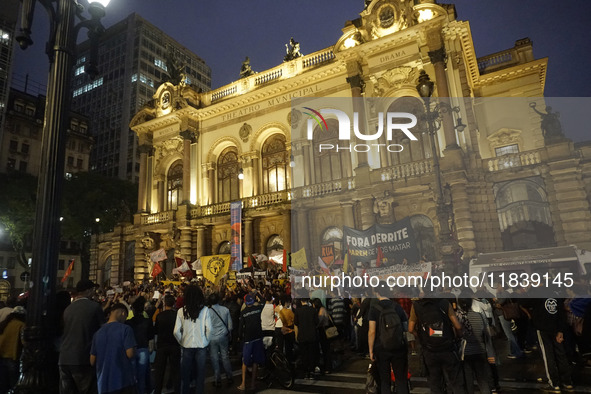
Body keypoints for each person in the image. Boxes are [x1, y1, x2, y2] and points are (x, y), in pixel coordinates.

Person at [409, 294, 467, 394]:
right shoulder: (444, 302)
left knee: (435, 383)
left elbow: (410, 328)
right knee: (455, 381)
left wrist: (421, 336)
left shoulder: (416, 306)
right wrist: (458, 336)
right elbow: (457, 325)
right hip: (447, 348)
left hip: (429, 350)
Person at [60, 279, 105, 394]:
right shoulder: (94, 307)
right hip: (83, 358)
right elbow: (102, 331)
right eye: (93, 290)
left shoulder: (68, 309)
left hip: (64, 358)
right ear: (89, 291)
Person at [368, 284, 409, 394]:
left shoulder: (374, 309)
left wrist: (371, 350)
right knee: (401, 379)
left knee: (384, 380)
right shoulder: (397, 307)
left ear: (377, 293)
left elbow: (372, 331)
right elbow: (406, 327)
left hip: (381, 348)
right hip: (398, 347)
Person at [90, 303, 137, 394]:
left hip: (103, 384)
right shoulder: (126, 329)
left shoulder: (98, 333)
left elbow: (92, 360)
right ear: (123, 313)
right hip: (123, 381)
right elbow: (130, 353)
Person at [174, 284, 212, 394]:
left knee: (185, 376)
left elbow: (176, 331)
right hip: (201, 346)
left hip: (187, 346)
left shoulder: (181, 311)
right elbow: (209, 329)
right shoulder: (204, 310)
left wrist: (182, 341)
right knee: (200, 375)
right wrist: (206, 340)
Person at [457, 296, 495, 394]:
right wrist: (490, 353)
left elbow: (457, 334)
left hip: (465, 352)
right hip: (480, 350)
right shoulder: (479, 315)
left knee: (468, 380)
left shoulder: (458, 316)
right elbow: (486, 334)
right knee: (482, 380)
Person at [126, 296, 154, 394]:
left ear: (133, 310)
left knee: (133, 376)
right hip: (143, 348)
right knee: (142, 377)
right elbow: (151, 336)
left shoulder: (128, 322)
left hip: (132, 349)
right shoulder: (147, 320)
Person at [153, 294, 180, 394]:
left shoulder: (160, 316)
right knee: (175, 370)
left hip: (162, 345)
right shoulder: (177, 315)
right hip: (174, 344)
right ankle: (177, 390)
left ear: (165, 303)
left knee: (160, 371)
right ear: (174, 303)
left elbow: (156, 331)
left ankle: (157, 390)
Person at [238, 294, 265, 391]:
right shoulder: (258, 309)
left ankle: (243, 384)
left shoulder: (243, 312)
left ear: (245, 302)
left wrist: (239, 337)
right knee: (255, 362)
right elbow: (264, 301)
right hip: (258, 337)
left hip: (248, 339)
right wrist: (257, 293)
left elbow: (241, 327)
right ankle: (253, 384)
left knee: (245, 362)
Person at [207, 292, 234, 388]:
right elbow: (230, 326)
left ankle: (217, 379)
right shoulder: (225, 310)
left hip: (212, 337)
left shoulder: (207, 312)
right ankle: (229, 376)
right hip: (223, 336)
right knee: (225, 357)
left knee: (214, 359)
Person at [0, 306, 26, 392]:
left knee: (3, 384)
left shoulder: (4, 324)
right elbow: (24, 342)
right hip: (13, 357)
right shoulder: (21, 325)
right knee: (13, 384)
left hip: (2, 356)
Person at [294, 297, 319, 380]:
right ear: (308, 301)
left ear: (301, 301)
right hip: (312, 335)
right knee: (312, 354)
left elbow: (296, 324)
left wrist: (296, 335)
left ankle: (305, 372)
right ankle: (311, 371)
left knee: (304, 355)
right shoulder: (313, 310)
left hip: (302, 335)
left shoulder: (298, 311)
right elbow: (316, 322)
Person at [313, 298, 333, 374]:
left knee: (325, 349)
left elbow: (320, 322)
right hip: (325, 330)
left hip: (324, 331)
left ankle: (327, 367)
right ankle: (327, 366)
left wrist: (315, 326)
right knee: (326, 349)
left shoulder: (321, 310)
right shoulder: (323, 309)